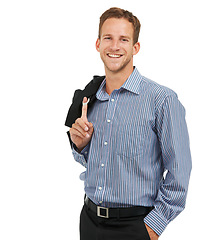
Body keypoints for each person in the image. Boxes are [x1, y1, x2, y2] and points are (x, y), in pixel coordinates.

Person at [65, 7, 192, 240]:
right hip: (90, 221)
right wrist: (81, 146)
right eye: (108, 38)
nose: (114, 46)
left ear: (135, 47)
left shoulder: (162, 100)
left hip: (135, 227)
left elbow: (179, 172)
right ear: (98, 44)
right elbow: (94, 163)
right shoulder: (89, 98)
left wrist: (153, 228)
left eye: (123, 39)